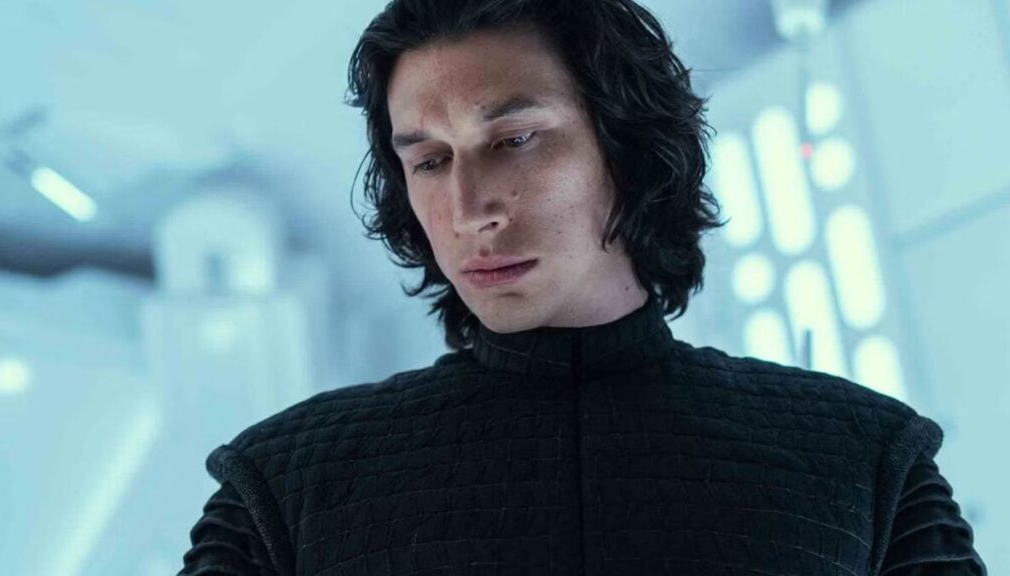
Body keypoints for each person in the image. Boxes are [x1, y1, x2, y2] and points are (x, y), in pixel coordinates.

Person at [178, 0, 988, 574]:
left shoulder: (866, 462)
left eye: (515, 140)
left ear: (625, 147)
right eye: (429, 160)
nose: (469, 209)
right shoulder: (282, 487)